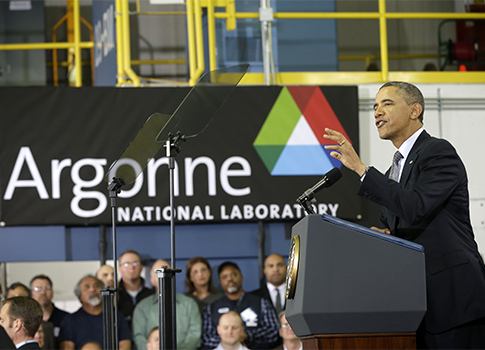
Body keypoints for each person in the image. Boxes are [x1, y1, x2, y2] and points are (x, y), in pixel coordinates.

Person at [324, 81, 485, 350]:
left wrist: (362, 169)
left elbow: (416, 206)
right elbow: (397, 228)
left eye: (387, 103)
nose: (377, 112)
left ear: (415, 110)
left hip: (456, 301)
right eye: (374, 106)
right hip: (417, 305)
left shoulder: (437, 152)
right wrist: (381, 237)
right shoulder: (392, 173)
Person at [201, 261, 279, 350]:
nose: (229, 279)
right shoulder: (211, 308)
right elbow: (206, 339)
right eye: (224, 277)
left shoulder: (261, 303)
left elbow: (273, 332)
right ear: (220, 281)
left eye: (234, 275)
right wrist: (231, 341)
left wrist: (246, 336)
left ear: (241, 277)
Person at [132, 259, 201, 350]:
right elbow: (138, 337)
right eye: (158, 274)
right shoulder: (142, 307)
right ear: (152, 281)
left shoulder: (189, 304)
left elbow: (195, 333)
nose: (163, 276)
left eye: (168, 273)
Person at [58, 275, 132, 350]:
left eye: (97, 286)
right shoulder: (70, 321)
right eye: (87, 287)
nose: (93, 289)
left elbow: (125, 345)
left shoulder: (116, 317)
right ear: (79, 296)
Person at [118, 250, 154, 327]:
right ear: (119, 269)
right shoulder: (115, 296)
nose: (132, 267)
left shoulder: (151, 295)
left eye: (135, 263)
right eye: (127, 264)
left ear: (141, 268)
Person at [30, 275, 68, 342]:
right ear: (31, 293)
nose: (43, 292)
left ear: (52, 292)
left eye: (47, 288)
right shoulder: (27, 319)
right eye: (38, 289)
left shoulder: (66, 318)